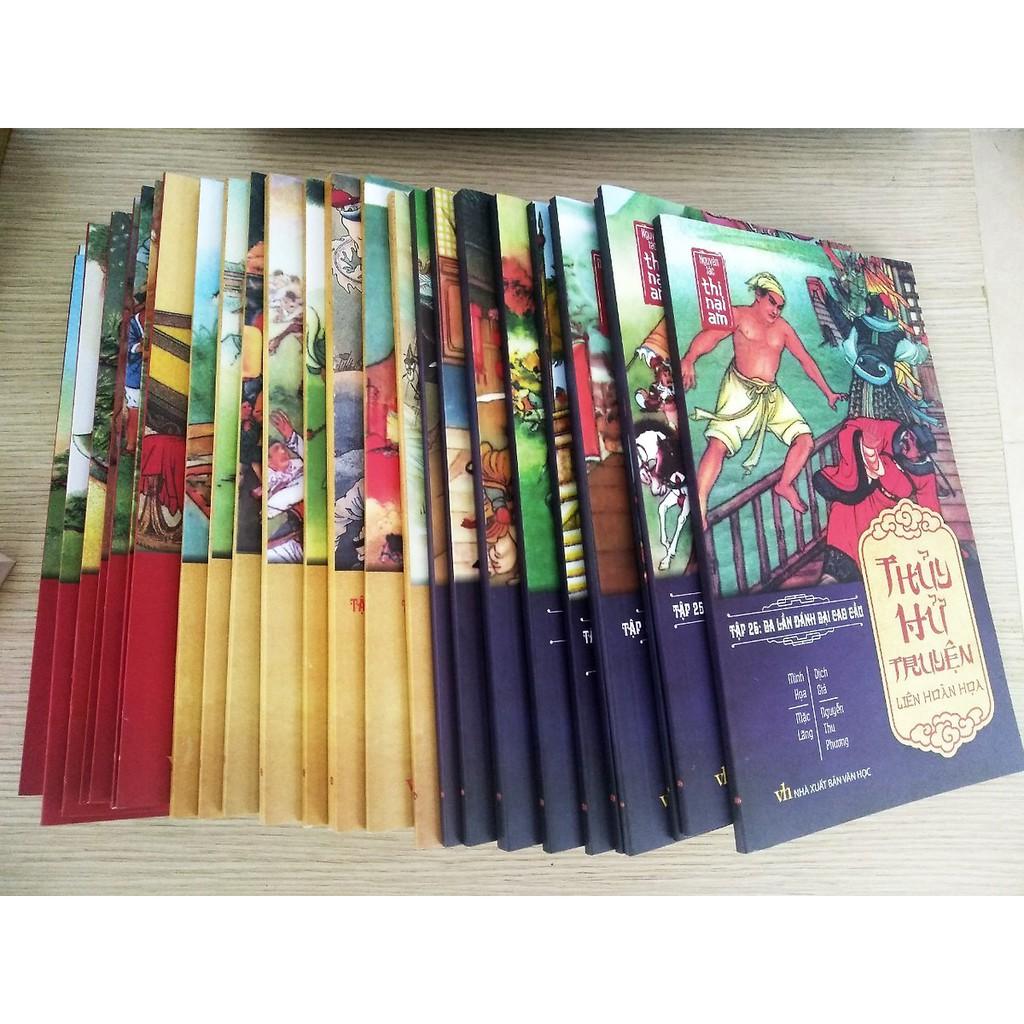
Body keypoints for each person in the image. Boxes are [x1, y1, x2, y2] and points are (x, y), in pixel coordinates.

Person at [677, 272, 846, 518]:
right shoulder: (738, 315)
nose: (776, 310)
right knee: (718, 444)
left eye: (780, 306)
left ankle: (784, 485)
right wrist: (690, 358)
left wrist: (828, 392)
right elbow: (711, 336)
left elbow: (805, 360)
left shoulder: (783, 329)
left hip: (770, 394)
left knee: (804, 440)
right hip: (739, 389)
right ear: (758, 295)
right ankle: (700, 501)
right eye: (772, 302)